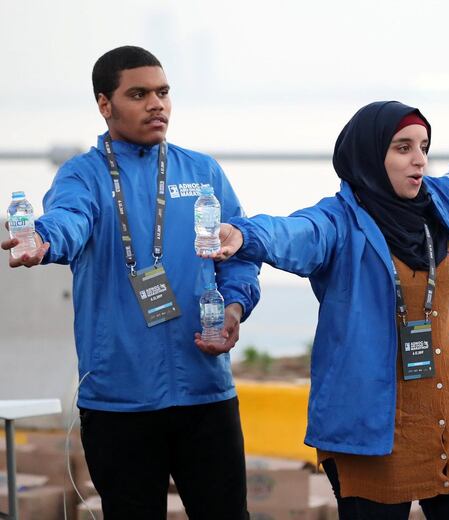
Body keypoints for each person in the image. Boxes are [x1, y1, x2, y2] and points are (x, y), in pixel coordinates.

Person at [207, 38, 449, 519]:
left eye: (424, 148)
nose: (419, 159)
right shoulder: (338, 223)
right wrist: (243, 235)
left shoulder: (445, 204)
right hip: (374, 427)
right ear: (370, 156)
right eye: (402, 148)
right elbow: (294, 233)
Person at [1, 46, 260, 519]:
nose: (156, 104)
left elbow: (239, 255)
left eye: (162, 92)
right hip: (119, 402)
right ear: (105, 104)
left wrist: (235, 308)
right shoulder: (83, 174)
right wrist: (43, 240)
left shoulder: (202, 172)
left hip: (205, 393)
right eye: (138, 94)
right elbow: (70, 219)